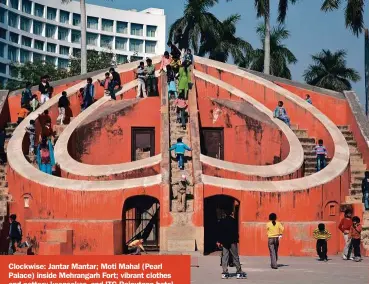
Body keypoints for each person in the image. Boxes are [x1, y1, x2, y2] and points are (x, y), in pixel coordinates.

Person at [217, 209, 246, 279]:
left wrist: (219, 241)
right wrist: (237, 239)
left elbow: (220, 232)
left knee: (225, 256)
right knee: (235, 256)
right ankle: (239, 271)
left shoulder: (222, 221)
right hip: (233, 241)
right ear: (231, 213)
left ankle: (225, 272)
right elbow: (236, 231)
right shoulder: (234, 221)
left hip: (225, 241)